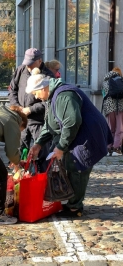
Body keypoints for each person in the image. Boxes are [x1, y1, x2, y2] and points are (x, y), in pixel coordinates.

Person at [26, 68, 113, 217]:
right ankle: (72, 203)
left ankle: (75, 208)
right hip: (78, 134)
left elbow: (71, 123)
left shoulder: (64, 95)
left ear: (43, 88)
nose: (36, 97)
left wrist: (60, 147)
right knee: (71, 165)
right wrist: (38, 143)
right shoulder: (52, 96)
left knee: (77, 166)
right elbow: (49, 123)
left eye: (35, 93)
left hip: (87, 137)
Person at [9, 48, 54, 170]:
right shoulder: (21, 70)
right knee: (20, 151)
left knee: (41, 154)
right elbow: (12, 90)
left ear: (39, 61)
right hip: (21, 120)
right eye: (27, 64)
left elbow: (48, 102)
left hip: (38, 122)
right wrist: (16, 106)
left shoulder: (48, 76)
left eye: (31, 64)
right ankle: (20, 178)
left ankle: (42, 179)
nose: (28, 67)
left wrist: (31, 109)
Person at [102, 67, 123, 156]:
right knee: (120, 128)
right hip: (120, 106)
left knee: (111, 127)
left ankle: (109, 147)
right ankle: (116, 148)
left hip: (109, 107)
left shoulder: (105, 81)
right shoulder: (121, 80)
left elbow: (103, 94)